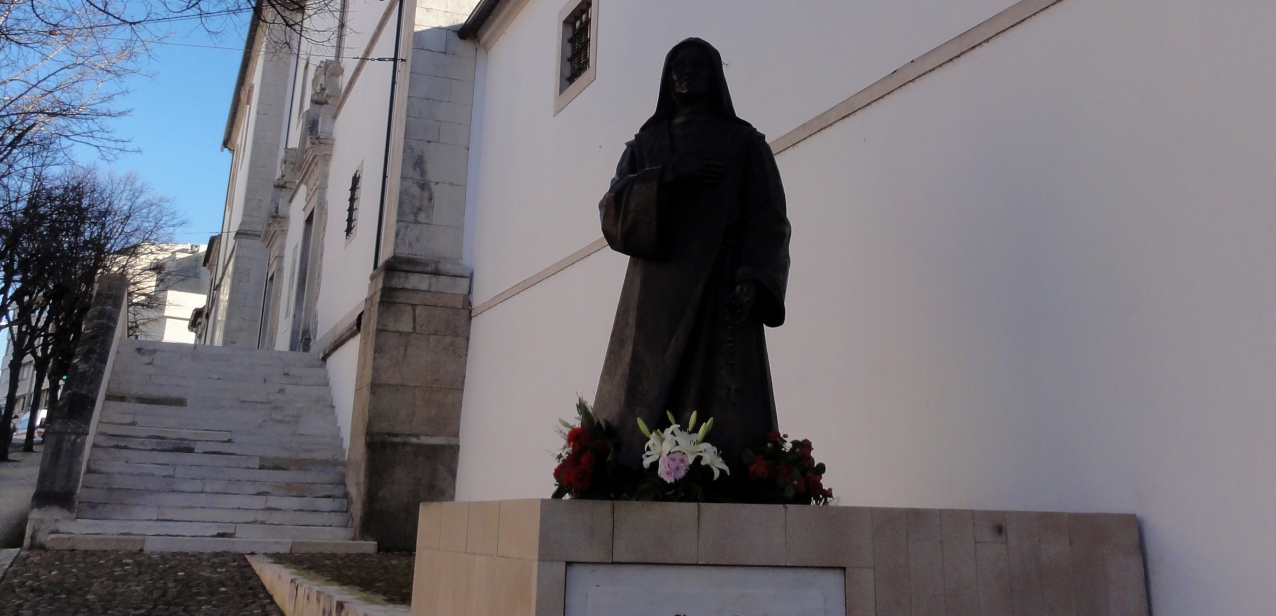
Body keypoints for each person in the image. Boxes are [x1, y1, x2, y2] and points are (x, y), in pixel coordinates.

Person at [593, 38, 792, 476]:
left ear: (715, 74)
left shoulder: (744, 143)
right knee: (641, 402)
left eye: (698, 64)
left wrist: (755, 276)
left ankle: (718, 471)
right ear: (667, 78)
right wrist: (669, 176)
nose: (687, 71)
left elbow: (769, 219)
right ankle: (634, 469)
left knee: (721, 405)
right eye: (678, 64)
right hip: (652, 299)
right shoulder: (645, 146)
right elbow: (611, 213)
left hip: (719, 287)